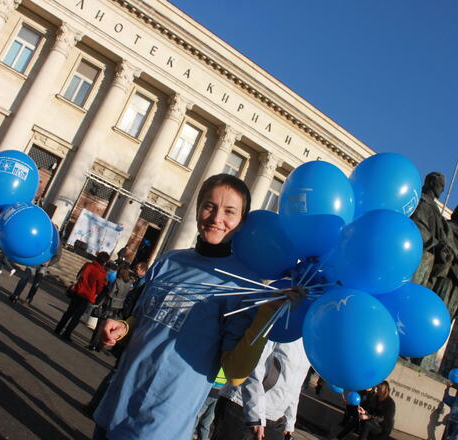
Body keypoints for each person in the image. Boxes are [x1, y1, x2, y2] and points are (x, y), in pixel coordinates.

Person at [92, 174, 304, 440]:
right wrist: (122, 327)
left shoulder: (243, 285)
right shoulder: (169, 261)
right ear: (197, 208)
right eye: (209, 206)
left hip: (160, 425)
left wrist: (266, 314)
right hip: (113, 408)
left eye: (229, 212)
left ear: (241, 222)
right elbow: (143, 319)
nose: (216, 218)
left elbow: (236, 373)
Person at [213, 338, 311, 440]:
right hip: (241, 405)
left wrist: (290, 421)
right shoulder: (281, 325)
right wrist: (255, 415)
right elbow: (253, 365)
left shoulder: (309, 340)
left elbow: (295, 385)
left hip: (274, 418)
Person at [54, 251, 109, 342]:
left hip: (78, 290)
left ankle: (58, 328)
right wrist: (96, 293)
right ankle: (67, 333)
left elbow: (79, 275)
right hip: (88, 295)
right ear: (105, 262)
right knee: (77, 316)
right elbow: (100, 287)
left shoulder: (88, 265)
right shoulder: (102, 273)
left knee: (69, 311)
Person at [193, 368, 227, 440]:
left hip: (210, 394)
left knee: (195, 420)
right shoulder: (230, 365)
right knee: (205, 424)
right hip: (218, 395)